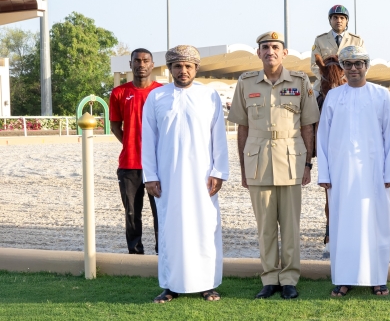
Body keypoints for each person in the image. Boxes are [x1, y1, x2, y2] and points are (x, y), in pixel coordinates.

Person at [228, 31, 319, 300]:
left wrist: (307, 165)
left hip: (291, 158)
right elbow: (242, 127)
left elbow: (308, 126)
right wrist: (244, 168)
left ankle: (289, 278)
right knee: (265, 226)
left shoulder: (301, 82)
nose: (270, 51)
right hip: (258, 160)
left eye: (275, 47)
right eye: (265, 47)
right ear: (258, 53)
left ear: (284, 52)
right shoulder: (245, 83)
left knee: (290, 225)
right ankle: (269, 278)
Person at [141, 45, 229, 303]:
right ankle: (171, 285)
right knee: (171, 229)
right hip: (168, 178)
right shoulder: (156, 97)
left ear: (196, 68)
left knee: (204, 228)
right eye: (177, 66)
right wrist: (151, 176)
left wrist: (219, 172)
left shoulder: (209, 96)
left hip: (203, 178)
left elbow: (219, 138)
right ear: (169, 69)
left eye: (188, 66)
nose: (183, 71)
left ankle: (208, 284)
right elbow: (148, 139)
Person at [317, 46, 390, 297]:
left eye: (359, 63)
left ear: (366, 65)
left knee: (376, 224)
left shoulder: (381, 95)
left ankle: (377, 278)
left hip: (373, 174)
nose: (354, 68)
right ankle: (344, 278)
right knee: (343, 226)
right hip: (341, 175)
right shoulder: (333, 97)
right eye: (349, 64)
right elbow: (323, 137)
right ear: (342, 68)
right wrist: (325, 174)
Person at [109, 48, 161, 255]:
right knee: (132, 212)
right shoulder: (119, 93)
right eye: (137, 61)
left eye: (145, 61)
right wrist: (130, 143)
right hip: (129, 165)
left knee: (160, 212)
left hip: (158, 165)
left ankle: (162, 251)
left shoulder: (161, 92)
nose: (141, 64)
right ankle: (135, 252)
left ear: (152, 64)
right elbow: (115, 126)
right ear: (130, 65)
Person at [311, 5, 364, 91]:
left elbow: (364, 63)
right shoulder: (320, 40)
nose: (339, 21)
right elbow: (314, 65)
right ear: (330, 20)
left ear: (347, 21)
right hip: (324, 84)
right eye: (335, 18)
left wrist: (351, 78)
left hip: (350, 84)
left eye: (342, 18)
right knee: (313, 101)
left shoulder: (357, 41)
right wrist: (327, 78)